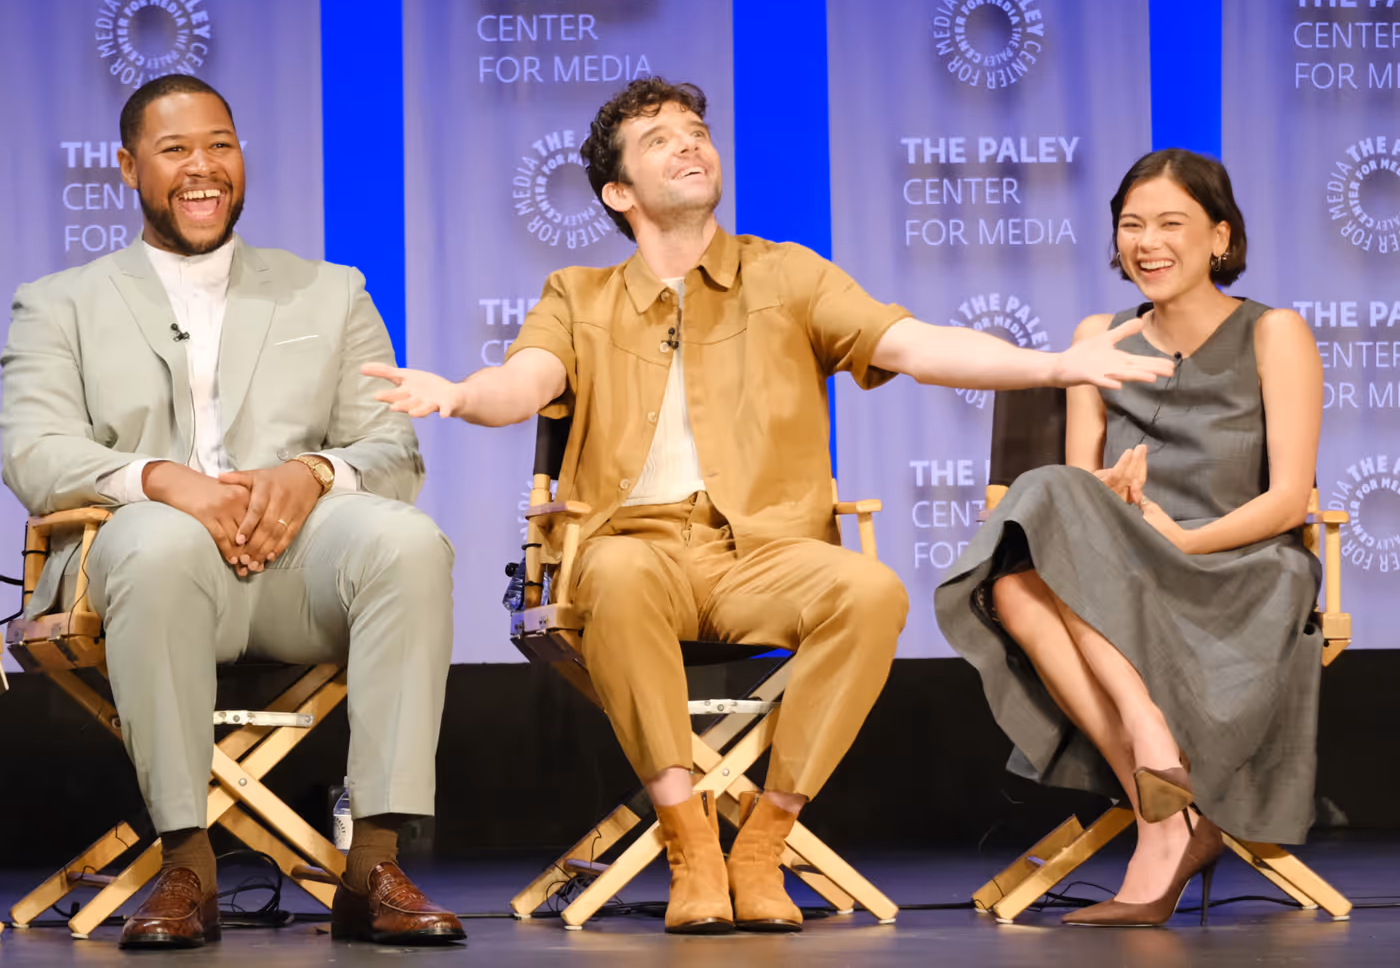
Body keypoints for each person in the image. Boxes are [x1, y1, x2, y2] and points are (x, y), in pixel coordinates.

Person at [363, 77, 1173, 936]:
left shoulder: (787, 274)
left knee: (870, 592)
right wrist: (460, 395)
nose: (690, 143)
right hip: (632, 548)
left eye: (696, 130)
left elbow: (913, 344)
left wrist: (1056, 367)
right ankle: (688, 841)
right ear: (618, 193)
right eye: (659, 139)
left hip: (766, 554)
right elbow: (525, 381)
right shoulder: (578, 294)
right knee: (622, 572)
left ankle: (763, 840)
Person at [1, 75, 465, 948]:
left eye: (220, 144)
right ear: (128, 166)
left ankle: (374, 866)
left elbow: (392, 451)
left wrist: (314, 472)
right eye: (174, 149)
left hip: (298, 565)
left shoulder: (330, 290)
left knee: (407, 543)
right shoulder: (58, 302)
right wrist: (163, 480)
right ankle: (187, 865)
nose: (202, 167)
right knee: (159, 544)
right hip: (145, 568)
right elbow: (33, 451)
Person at [935, 150, 1325, 927]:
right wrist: (1109, 493)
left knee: (1046, 510)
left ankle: (1158, 787)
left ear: (1220, 236)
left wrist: (1182, 542)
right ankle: (1160, 790)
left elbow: (1289, 500)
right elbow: (1077, 487)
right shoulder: (1098, 337)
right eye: (1131, 225)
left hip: (1239, 565)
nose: (1147, 242)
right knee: (1020, 568)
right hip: (1128, 563)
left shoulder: (1274, 331)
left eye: (1170, 223)